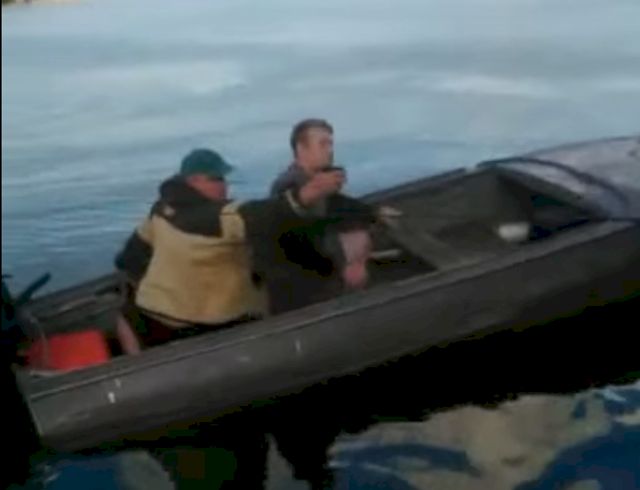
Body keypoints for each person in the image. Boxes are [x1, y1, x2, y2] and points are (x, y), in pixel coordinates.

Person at [114, 147, 345, 348]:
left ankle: (136, 364)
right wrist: (307, 193)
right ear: (194, 181)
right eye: (216, 179)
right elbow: (265, 214)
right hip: (211, 324)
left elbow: (129, 257)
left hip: (154, 314)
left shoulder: (160, 211)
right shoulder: (222, 216)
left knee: (126, 314)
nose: (224, 185)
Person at [268, 119, 379, 313]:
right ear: (302, 148)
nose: (330, 150)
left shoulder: (319, 181)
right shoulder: (289, 186)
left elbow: (340, 206)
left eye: (330, 144)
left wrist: (372, 213)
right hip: (314, 289)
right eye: (323, 144)